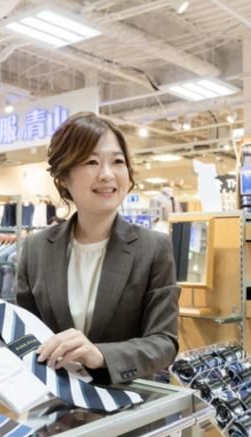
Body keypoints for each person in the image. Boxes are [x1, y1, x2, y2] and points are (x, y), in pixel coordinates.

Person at [16, 112, 179, 385]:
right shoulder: (35, 250)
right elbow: (23, 333)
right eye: (91, 162)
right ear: (64, 177)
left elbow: (164, 342)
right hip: (54, 397)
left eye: (117, 162)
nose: (107, 174)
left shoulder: (153, 248)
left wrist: (102, 355)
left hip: (130, 398)